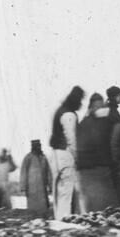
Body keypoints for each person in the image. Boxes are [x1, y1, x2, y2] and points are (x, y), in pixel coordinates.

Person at [76, 93, 119, 212]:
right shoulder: (89, 124)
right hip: (94, 170)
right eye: (100, 107)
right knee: (100, 206)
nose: (104, 110)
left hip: (98, 169)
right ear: (93, 108)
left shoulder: (88, 123)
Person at [49, 86, 85, 219]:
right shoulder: (69, 114)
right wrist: (77, 157)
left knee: (58, 192)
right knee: (66, 192)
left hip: (55, 155)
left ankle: (59, 218)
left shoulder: (59, 111)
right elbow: (72, 139)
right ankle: (63, 221)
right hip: (66, 156)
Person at [19, 139, 52, 217]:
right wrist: (23, 187)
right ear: (32, 147)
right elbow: (23, 172)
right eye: (36, 146)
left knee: (43, 208)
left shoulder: (44, 157)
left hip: (42, 188)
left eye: (39, 145)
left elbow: (48, 172)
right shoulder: (28, 157)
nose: (38, 147)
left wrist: (50, 186)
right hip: (31, 188)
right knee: (32, 209)